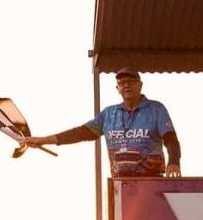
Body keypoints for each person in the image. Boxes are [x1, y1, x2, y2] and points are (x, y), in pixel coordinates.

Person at [23, 67, 181, 177]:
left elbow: (171, 139)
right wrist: (43, 140)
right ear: (117, 88)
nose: (126, 85)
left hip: (152, 183)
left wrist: (174, 161)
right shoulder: (109, 114)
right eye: (122, 83)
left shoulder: (156, 109)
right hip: (120, 185)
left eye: (131, 81)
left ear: (140, 85)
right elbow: (80, 133)